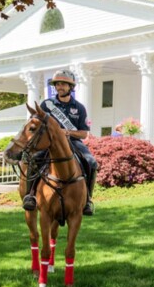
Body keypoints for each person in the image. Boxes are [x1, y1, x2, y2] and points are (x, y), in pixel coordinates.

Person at [22, 69, 98, 216]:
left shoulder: (79, 108)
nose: (60, 87)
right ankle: (30, 195)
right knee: (35, 160)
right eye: (57, 84)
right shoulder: (46, 105)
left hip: (73, 142)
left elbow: (83, 133)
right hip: (49, 143)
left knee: (91, 162)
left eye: (64, 84)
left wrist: (66, 132)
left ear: (71, 87)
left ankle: (87, 199)